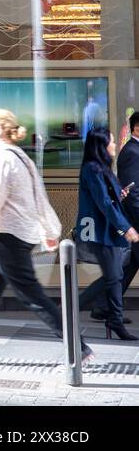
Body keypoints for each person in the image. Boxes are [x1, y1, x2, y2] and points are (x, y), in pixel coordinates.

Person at [0, 108, 93, 363]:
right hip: (6, 234)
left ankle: (78, 347)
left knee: (32, 295)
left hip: (7, 236)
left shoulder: (4, 160)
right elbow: (38, 196)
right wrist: (48, 231)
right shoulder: (20, 157)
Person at [75, 128, 139, 339]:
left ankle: (114, 320)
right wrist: (126, 227)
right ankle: (66, 312)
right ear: (101, 146)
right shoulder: (93, 169)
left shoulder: (102, 168)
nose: (114, 145)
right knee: (113, 276)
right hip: (99, 231)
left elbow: (108, 199)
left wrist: (120, 194)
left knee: (115, 275)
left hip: (107, 231)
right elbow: (103, 203)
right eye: (111, 142)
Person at [113, 109, 139, 314]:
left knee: (130, 265)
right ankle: (102, 305)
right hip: (135, 219)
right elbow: (132, 190)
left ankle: (104, 306)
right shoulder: (132, 152)